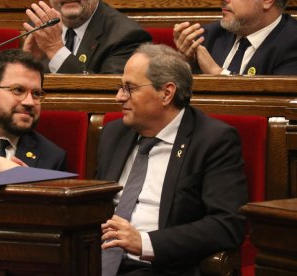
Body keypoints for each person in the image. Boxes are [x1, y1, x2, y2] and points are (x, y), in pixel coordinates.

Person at [97, 44, 247, 275]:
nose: (119, 97)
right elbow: (94, 202)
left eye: (130, 88)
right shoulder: (113, 133)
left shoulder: (212, 140)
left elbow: (227, 224)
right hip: (95, 258)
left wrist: (146, 242)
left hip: (159, 266)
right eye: (120, 87)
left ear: (167, 93)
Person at [22, 0, 151, 74]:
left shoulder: (127, 36)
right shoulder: (39, 26)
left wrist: (55, 50)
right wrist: (27, 64)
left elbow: (109, 96)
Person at [173, 0, 297, 75]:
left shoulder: (292, 42)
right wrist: (187, 62)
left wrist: (217, 73)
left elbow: (275, 105)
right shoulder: (208, 35)